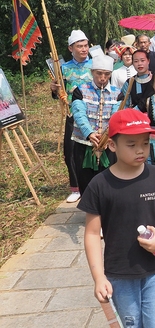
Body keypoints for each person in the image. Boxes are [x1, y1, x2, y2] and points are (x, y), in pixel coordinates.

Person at [79, 108, 155, 327]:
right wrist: (98, 277)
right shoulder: (99, 185)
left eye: (145, 143)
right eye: (131, 145)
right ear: (112, 145)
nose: (140, 150)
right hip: (120, 274)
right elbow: (93, 234)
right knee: (131, 323)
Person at [50, 29, 93, 203]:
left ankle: (95, 184)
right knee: (71, 150)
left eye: (85, 45)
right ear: (71, 48)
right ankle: (76, 187)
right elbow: (59, 92)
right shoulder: (63, 68)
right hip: (72, 113)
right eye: (79, 46)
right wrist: (54, 90)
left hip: (93, 112)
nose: (84, 49)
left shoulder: (96, 64)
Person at [71, 55, 120, 196]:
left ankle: (108, 212)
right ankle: (90, 211)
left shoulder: (117, 94)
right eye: (99, 73)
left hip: (108, 143)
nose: (102, 77)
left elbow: (115, 116)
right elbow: (79, 114)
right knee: (85, 180)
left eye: (106, 74)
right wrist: (90, 133)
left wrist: (106, 137)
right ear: (92, 72)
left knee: (110, 180)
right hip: (84, 142)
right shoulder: (79, 90)